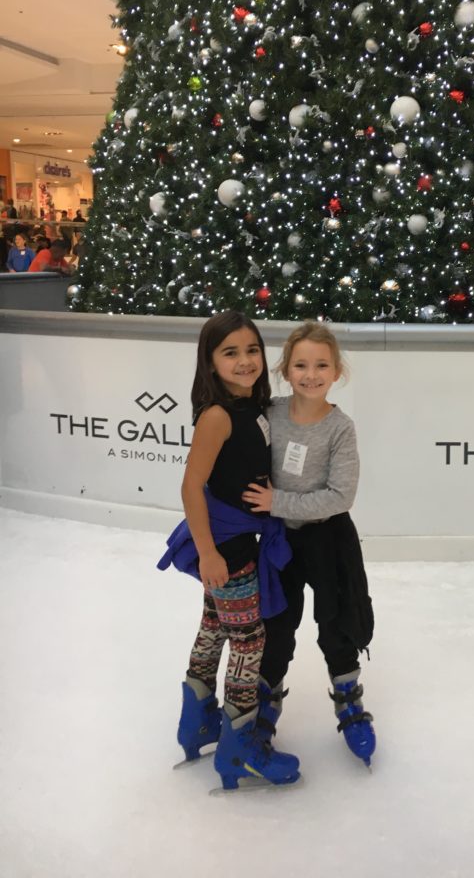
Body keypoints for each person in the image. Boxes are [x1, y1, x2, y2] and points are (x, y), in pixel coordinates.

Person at [156, 311, 300, 790]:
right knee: (249, 640)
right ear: (210, 362)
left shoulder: (253, 407)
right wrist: (209, 552)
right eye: (230, 353)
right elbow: (191, 487)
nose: (244, 361)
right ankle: (240, 748)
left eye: (252, 350)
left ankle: (195, 724)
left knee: (215, 626)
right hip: (227, 545)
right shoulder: (218, 416)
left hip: (239, 539)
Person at [242, 321, 376, 766]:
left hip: (329, 539)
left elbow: (341, 495)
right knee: (277, 624)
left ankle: (349, 700)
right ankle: (266, 703)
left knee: (335, 623)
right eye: (300, 364)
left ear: (336, 371)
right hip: (281, 541)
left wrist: (278, 499)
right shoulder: (271, 412)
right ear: (285, 369)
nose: (311, 374)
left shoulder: (340, 427)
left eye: (321, 365)